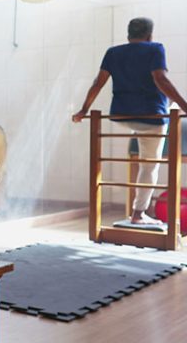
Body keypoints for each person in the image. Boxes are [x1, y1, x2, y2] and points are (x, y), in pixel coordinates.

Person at [72, 17, 187, 225]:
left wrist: (83, 109)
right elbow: (160, 79)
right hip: (152, 117)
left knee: (146, 151)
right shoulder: (155, 48)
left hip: (121, 116)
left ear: (128, 35)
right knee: (149, 166)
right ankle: (138, 214)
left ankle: (138, 213)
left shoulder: (113, 52)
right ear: (150, 35)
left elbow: (98, 83)